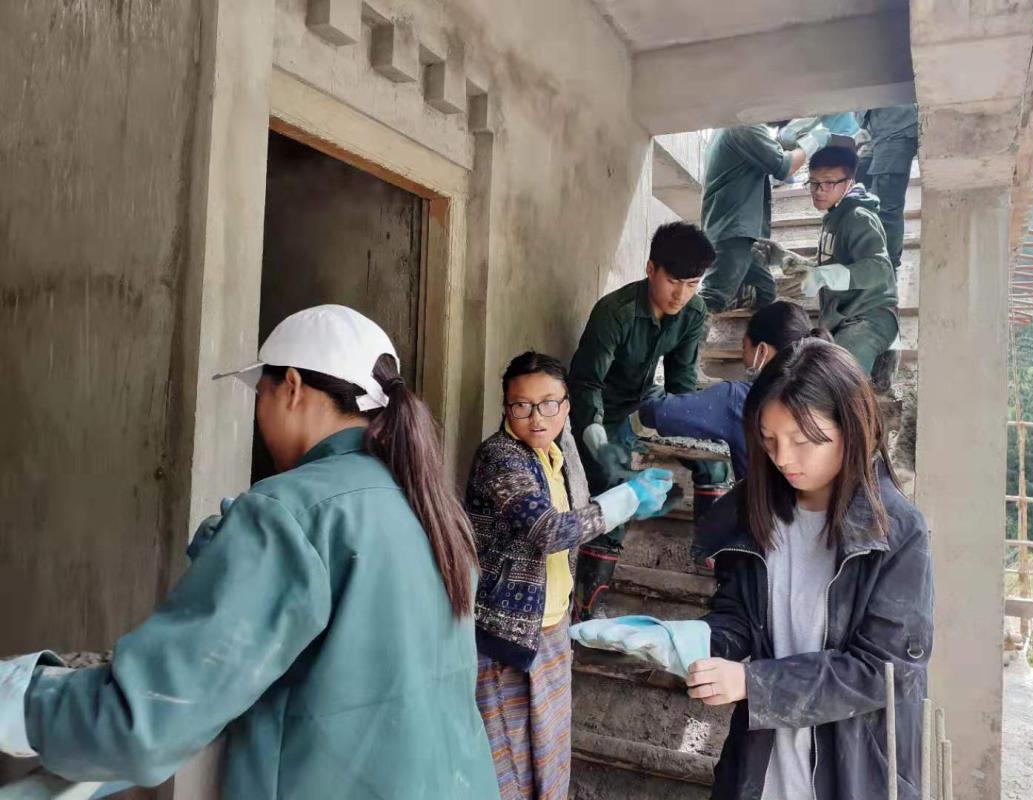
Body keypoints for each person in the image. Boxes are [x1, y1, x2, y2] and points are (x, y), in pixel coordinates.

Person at [0, 305, 498, 799]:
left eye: (261, 393)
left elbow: (145, 721)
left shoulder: (290, 510)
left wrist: (25, 698)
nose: (259, 415)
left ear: (292, 388)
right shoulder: (431, 507)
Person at [685, 339, 933, 800]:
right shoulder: (755, 510)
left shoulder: (898, 532)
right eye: (769, 439)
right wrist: (689, 641)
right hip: (761, 768)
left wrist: (754, 684)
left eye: (803, 440)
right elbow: (738, 614)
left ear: (852, 428)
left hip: (854, 772)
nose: (782, 458)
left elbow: (881, 669)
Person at [466, 351, 672, 799]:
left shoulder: (562, 450)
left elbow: (580, 517)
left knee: (551, 760)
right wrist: (626, 500)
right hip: (506, 639)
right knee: (509, 768)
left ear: (567, 407)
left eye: (548, 404)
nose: (536, 418)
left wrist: (631, 501)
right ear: (506, 408)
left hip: (553, 630)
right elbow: (549, 531)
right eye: (521, 406)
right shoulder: (500, 457)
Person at [568, 221, 715, 621]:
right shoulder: (614, 313)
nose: (681, 295)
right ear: (650, 268)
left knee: (715, 457)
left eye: (692, 283)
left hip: (643, 405)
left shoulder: (693, 312)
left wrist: (691, 435)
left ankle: (711, 550)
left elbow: (682, 380)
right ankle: (587, 605)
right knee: (614, 486)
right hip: (597, 412)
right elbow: (585, 383)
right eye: (673, 281)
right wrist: (597, 439)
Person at [638, 301, 832, 486]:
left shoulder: (738, 398)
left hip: (762, 514)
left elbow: (656, 412)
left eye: (744, 348)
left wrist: (647, 375)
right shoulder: (825, 391)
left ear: (762, 351)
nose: (743, 358)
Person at [755, 146, 898, 375]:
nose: (819, 191)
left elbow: (880, 268)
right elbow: (829, 269)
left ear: (849, 182)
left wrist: (821, 275)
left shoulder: (858, 216)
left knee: (830, 375)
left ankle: (881, 360)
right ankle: (879, 366)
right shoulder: (835, 216)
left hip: (871, 317)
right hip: (843, 318)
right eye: (813, 183)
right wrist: (786, 258)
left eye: (829, 183)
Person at [700, 122, 831, 313]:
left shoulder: (729, 125)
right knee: (712, 299)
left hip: (746, 234)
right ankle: (682, 337)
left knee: (766, 292)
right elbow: (784, 166)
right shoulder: (744, 125)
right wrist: (812, 141)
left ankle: (737, 301)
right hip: (733, 231)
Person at [860, 104, 919, 271]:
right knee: (857, 178)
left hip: (897, 130)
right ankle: (869, 252)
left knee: (887, 206)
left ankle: (888, 264)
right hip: (879, 134)